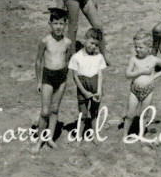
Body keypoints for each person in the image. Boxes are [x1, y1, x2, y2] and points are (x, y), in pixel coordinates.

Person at [34, 8, 72, 150]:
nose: (58, 27)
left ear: (65, 25)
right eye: (55, 23)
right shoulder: (45, 41)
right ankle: (39, 140)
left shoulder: (68, 42)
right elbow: (38, 61)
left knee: (55, 109)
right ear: (50, 24)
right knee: (45, 112)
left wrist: (65, 78)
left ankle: (49, 138)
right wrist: (39, 81)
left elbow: (68, 61)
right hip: (47, 77)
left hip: (61, 78)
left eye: (61, 24)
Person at [121, 31, 161, 138]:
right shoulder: (134, 59)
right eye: (136, 47)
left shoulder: (153, 60)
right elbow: (128, 74)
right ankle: (125, 134)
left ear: (149, 48)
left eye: (140, 47)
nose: (137, 49)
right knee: (130, 115)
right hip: (135, 90)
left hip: (148, 90)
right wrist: (142, 72)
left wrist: (154, 77)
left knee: (144, 115)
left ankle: (141, 135)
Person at [69, 28, 107, 136]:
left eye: (96, 45)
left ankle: (95, 134)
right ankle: (79, 136)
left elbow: (100, 75)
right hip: (83, 87)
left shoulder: (99, 57)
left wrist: (99, 91)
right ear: (85, 39)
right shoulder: (76, 57)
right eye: (91, 43)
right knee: (83, 114)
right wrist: (84, 92)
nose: (93, 47)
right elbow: (75, 77)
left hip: (95, 86)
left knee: (94, 112)